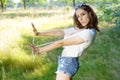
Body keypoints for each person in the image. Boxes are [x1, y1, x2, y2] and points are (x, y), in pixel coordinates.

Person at [29, 3, 100, 80]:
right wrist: (39, 33)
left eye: (83, 14)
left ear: (90, 14)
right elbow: (61, 32)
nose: (80, 18)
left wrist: (40, 50)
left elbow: (60, 43)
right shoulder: (81, 29)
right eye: (78, 16)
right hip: (65, 61)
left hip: (68, 63)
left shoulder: (88, 33)